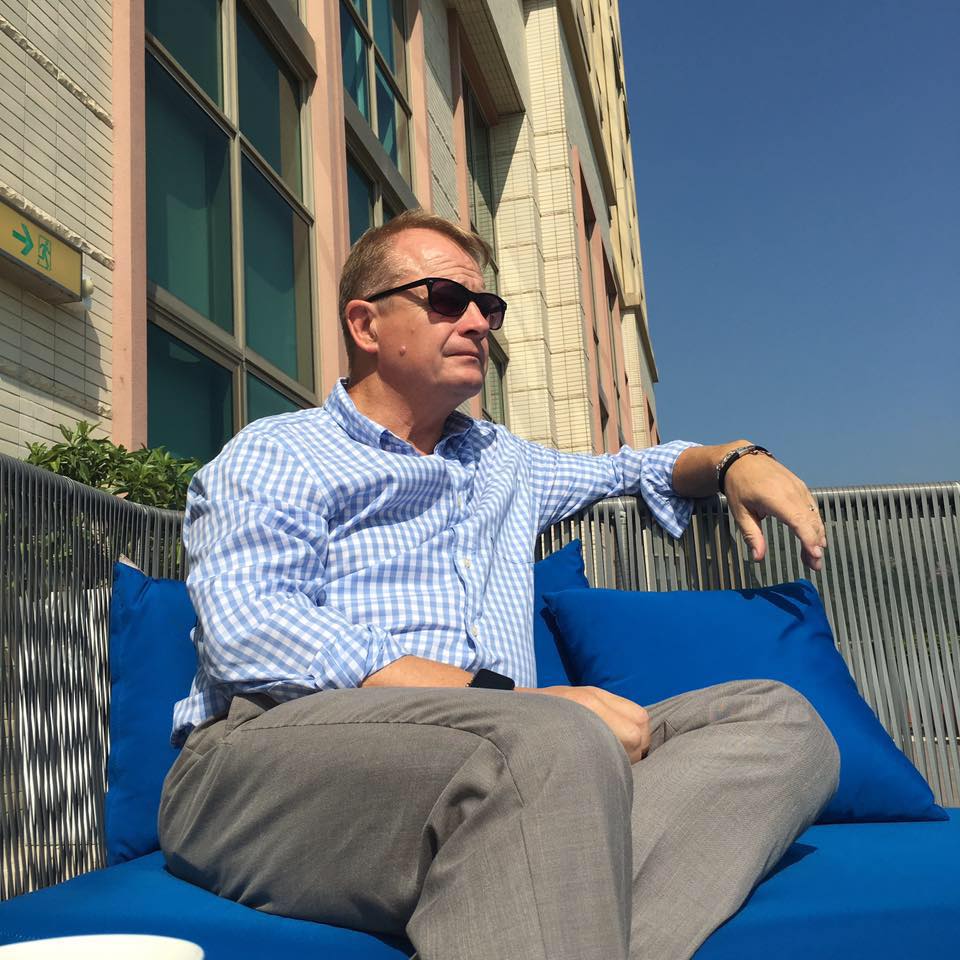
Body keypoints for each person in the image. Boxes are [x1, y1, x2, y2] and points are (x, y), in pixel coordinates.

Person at [159, 210, 839, 960]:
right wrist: (499, 701)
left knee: (778, 719)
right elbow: (252, 629)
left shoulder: (505, 463)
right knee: (548, 742)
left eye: (489, 307)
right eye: (447, 300)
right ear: (366, 323)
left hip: (510, 750)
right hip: (266, 764)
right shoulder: (281, 453)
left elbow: (628, 467)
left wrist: (735, 456)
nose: (480, 323)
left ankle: (525, 892)